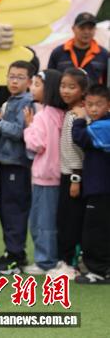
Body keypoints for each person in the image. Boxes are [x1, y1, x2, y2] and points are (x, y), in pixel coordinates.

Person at [0, 61, 35, 274]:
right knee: (5, 209)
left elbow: (20, 132)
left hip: (17, 164)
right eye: (11, 76)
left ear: (29, 81)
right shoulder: (12, 100)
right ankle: (12, 252)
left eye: (20, 77)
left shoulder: (27, 101)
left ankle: (15, 257)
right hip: (7, 163)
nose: (14, 81)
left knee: (13, 210)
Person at [23, 69, 65, 275]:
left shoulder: (42, 116)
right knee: (52, 220)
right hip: (59, 176)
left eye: (37, 84)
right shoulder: (61, 114)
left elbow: (36, 144)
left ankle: (45, 261)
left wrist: (28, 127)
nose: (32, 88)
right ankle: (51, 258)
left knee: (41, 222)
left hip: (45, 177)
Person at [47, 68, 89, 279]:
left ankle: (70, 265)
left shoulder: (78, 115)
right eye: (63, 86)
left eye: (72, 87)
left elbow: (78, 151)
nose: (65, 91)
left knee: (71, 221)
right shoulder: (71, 112)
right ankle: (65, 261)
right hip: (67, 175)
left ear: (83, 91)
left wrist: (75, 178)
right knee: (64, 220)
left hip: (74, 176)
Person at [72, 85, 110, 284]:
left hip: (100, 188)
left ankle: (97, 271)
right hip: (100, 187)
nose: (93, 109)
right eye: (89, 105)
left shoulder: (103, 126)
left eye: (99, 104)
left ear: (108, 105)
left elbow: (80, 137)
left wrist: (79, 119)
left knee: (94, 231)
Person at [48, 12, 108, 86]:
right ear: (73, 29)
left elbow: (107, 83)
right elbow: (50, 80)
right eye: (82, 28)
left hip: (92, 93)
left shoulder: (104, 54)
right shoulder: (58, 52)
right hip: (64, 93)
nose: (86, 32)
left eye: (90, 28)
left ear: (95, 30)